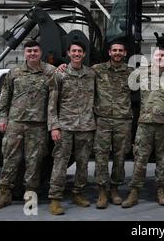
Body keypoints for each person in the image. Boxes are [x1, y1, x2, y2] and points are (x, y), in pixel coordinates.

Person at [0, 40, 55, 210]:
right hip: (15, 123)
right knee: (10, 159)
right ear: (24, 53)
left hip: (38, 125)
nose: (32, 54)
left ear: (40, 52)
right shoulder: (14, 72)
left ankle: (30, 196)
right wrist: (2, 118)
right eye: (29, 51)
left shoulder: (50, 72)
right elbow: (4, 97)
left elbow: (57, 96)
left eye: (35, 51)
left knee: (34, 162)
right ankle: (4, 194)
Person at [122, 48, 164, 208]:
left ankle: (161, 191)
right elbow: (122, 75)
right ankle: (134, 192)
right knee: (140, 158)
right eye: (157, 55)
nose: (159, 57)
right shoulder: (142, 73)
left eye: (162, 55)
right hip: (145, 123)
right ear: (152, 58)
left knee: (163, 159)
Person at [47, 41, 96, 215]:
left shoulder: (91, 74)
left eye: (80, 51)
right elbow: (52, 103)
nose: (76, 54)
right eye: (74, 51)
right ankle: (55, 198)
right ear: (68, 53)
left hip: (86, 127)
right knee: (60, 163)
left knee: (83, 164)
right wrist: (54, 126)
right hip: (65, 126)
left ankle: (78, 193)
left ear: (83, 54)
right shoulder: (59, 75)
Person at [91, 41, 133, 209]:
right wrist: (62, 67)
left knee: (120, 156)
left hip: (123, 120)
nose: (117, 53)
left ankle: (115, 189)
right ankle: (102, 191)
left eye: (120, 50)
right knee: (101, 156)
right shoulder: (97, 70)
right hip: (103, 119)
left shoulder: (131, 73)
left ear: (125, 53)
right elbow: (78, 71)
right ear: (109, 52)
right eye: (114, 50)